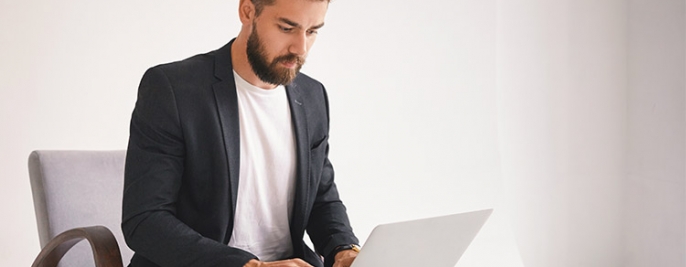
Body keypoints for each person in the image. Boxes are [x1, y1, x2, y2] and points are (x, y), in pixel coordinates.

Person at [121, 0, 359, 266]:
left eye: (312, 31)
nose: (300, 47)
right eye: (286, 28)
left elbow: (320, 198)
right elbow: (144, 220)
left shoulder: (313, 96)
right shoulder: (173, 89)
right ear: (248, 11)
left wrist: (344, 249)